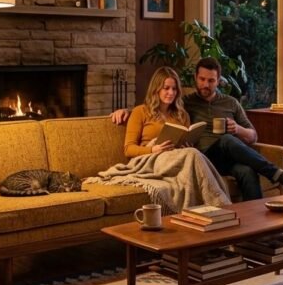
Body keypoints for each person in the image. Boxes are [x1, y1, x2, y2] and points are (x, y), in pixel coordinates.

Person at [112, 57, 283, 200]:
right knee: (226, 140)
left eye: (210, 81)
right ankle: (277, 174)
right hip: (203, 157)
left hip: (226, 157)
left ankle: (255, 229)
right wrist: (125, 111)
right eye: (202, 79)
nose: (205, 85)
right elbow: (153, 108)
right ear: (195, 78)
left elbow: (253, 136)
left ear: (219, 81)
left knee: (246, 171)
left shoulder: (228, 103)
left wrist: (238, 129)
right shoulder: (187, 103)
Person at [90, 66, 230, 213]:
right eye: (166, 88)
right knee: (194, 154)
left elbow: (186, 142)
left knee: (191, 152)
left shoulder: (182, 115)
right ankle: (223, 206)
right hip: (151, 160)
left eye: (174, 89)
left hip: (177, 159)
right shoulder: (140, 112)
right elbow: (128, 149)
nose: (171, 93)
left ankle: (209, 210)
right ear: (156, 89)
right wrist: (153, 149)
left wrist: (186, 144)